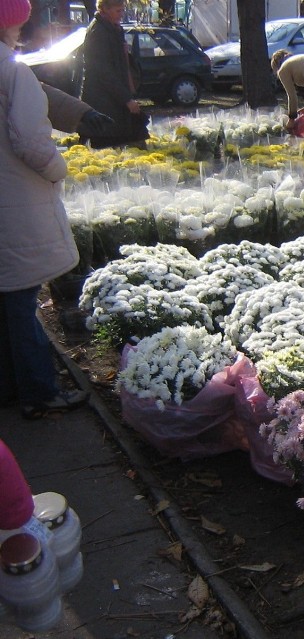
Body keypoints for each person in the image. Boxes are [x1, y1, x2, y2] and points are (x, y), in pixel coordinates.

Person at [0, 0, 91, 419]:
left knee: (8, 302)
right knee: (21, 303)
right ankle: (40, 391)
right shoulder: (13, 70)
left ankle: (13, 386)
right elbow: (32, 141)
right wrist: (58, 169)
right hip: (15, 201)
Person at [79, 0, 149, 149]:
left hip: (116, 103)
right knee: (113, 151)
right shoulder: (98, 32)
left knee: (135, 146)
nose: (121, 15)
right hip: (104, 104)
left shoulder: (114, 29)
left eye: (122, 10)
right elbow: (103, 72)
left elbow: (121, 65)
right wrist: (126, 99)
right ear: (104, 9)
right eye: (118, 11)